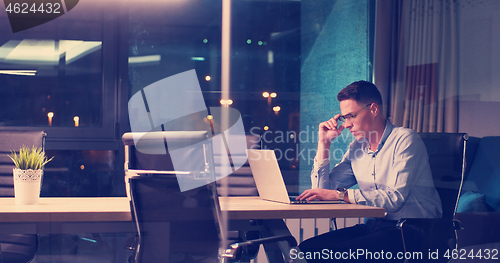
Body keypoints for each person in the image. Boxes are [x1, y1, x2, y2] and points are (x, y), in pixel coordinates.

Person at [296, 80, 442, 262]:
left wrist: (339, 195)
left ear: (373, 109)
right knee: (305, 250)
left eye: (351, 116)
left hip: (414, 231)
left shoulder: (405, 140)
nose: (347, 124)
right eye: (344, 118)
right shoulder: (357, 147)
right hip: (378, 226)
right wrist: (324, 143)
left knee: (332, 255)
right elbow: (321, 190)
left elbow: (393, 199)